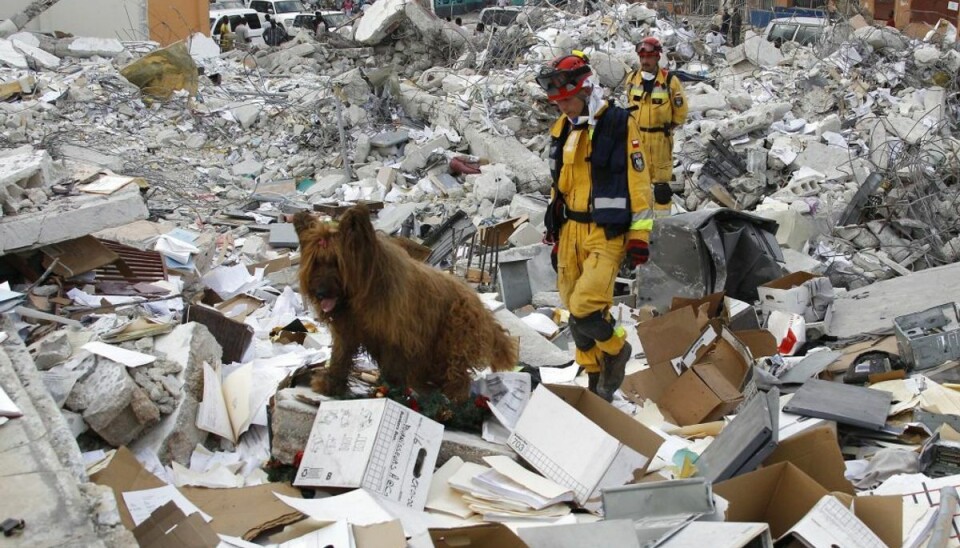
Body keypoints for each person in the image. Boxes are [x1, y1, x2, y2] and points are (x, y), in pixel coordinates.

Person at [537, 52, 654, 401]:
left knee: (586, 307)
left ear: (586, 91)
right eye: (558, 103)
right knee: (574, 311)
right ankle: (594, 378)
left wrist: (639, 237)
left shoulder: (619, 124)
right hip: (571, 232)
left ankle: (617, 349)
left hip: (606, 232)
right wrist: (555, 231)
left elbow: (638, 183)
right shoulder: (563, 129)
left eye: (569, 101)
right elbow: (559, 186)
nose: (565, 108)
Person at [623, 37, 688, 217]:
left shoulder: (670, 81)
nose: (645, 61)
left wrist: (665, 129)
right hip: (636, 139)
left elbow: (680, 113)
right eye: (642, 56)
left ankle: (661, 224)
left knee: (661, 189)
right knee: (636, 182)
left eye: (649, 56)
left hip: (660, 140)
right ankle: (638, 224)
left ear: (658, 57)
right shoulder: (631, 80)